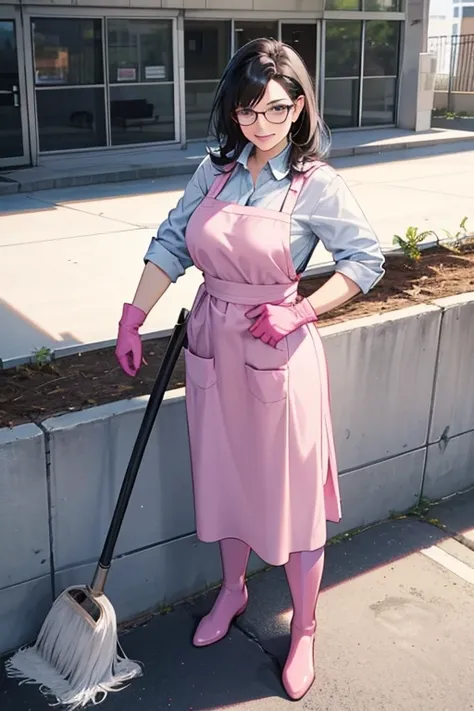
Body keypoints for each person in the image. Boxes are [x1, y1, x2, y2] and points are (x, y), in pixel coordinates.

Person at [115, 38, 384, 701]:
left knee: (292, 500)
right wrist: (133, 313)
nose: (259, 126)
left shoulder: (315, 183)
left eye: (273, 111)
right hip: (214, 345)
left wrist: (302, 312)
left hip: (278, 356)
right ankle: (232, 589)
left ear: (299, 108)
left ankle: (306, 629)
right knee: (225, 477)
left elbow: (366, 259)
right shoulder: (216, 170)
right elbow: (175, 238)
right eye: (246, 111)